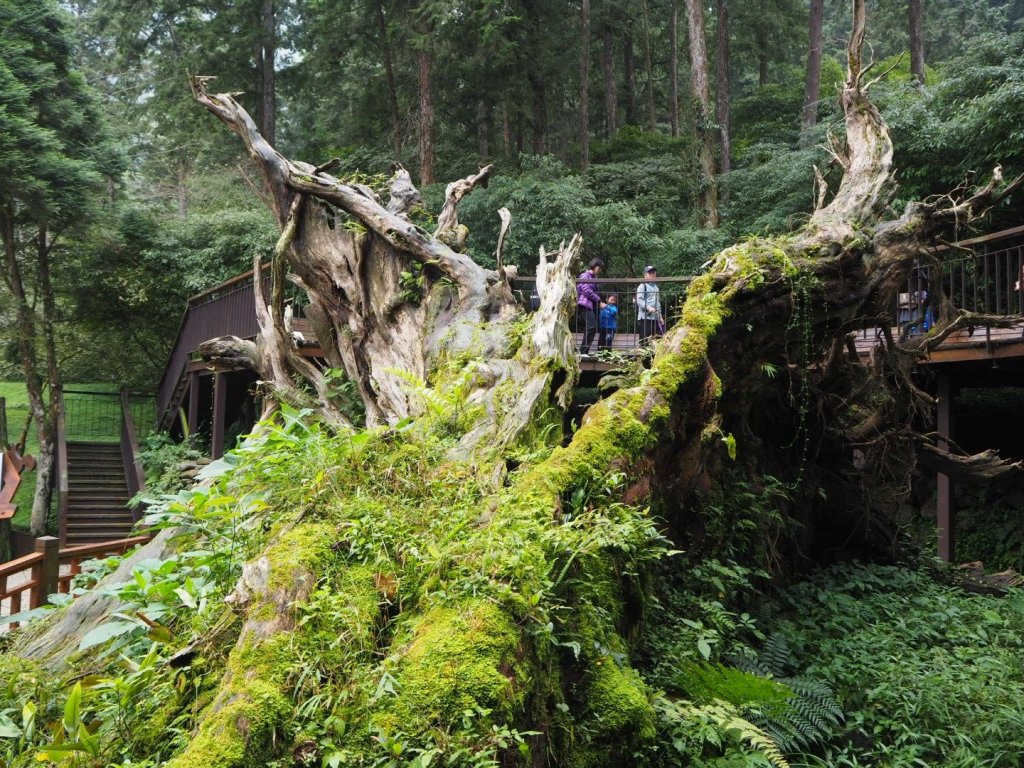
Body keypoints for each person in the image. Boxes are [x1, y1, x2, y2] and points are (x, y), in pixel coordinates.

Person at [577, 258, 605, 354]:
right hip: (585, 304)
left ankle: (584, 351)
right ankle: (583, 352)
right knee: (591, 327)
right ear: (595, 266)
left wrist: (599, 302)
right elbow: (586, 290)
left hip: (591, 305)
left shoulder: (593, 277)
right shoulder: (585, 275)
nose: (600, 270)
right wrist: (599, 300)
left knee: (591, 328)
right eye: (600, 268)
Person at [637, 265, 662, 345]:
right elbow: (639, 300)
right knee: (645, 341)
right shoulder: (642, 286)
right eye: (650, 272)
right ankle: (644, 357)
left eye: (653, 272)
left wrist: (660, 316)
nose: (652, 274)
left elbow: (658, 302)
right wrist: (648, 307)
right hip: (645, 317)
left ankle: (654, 357)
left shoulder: (656, 287)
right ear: (645, 275)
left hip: (655, 318)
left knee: (656, 340)